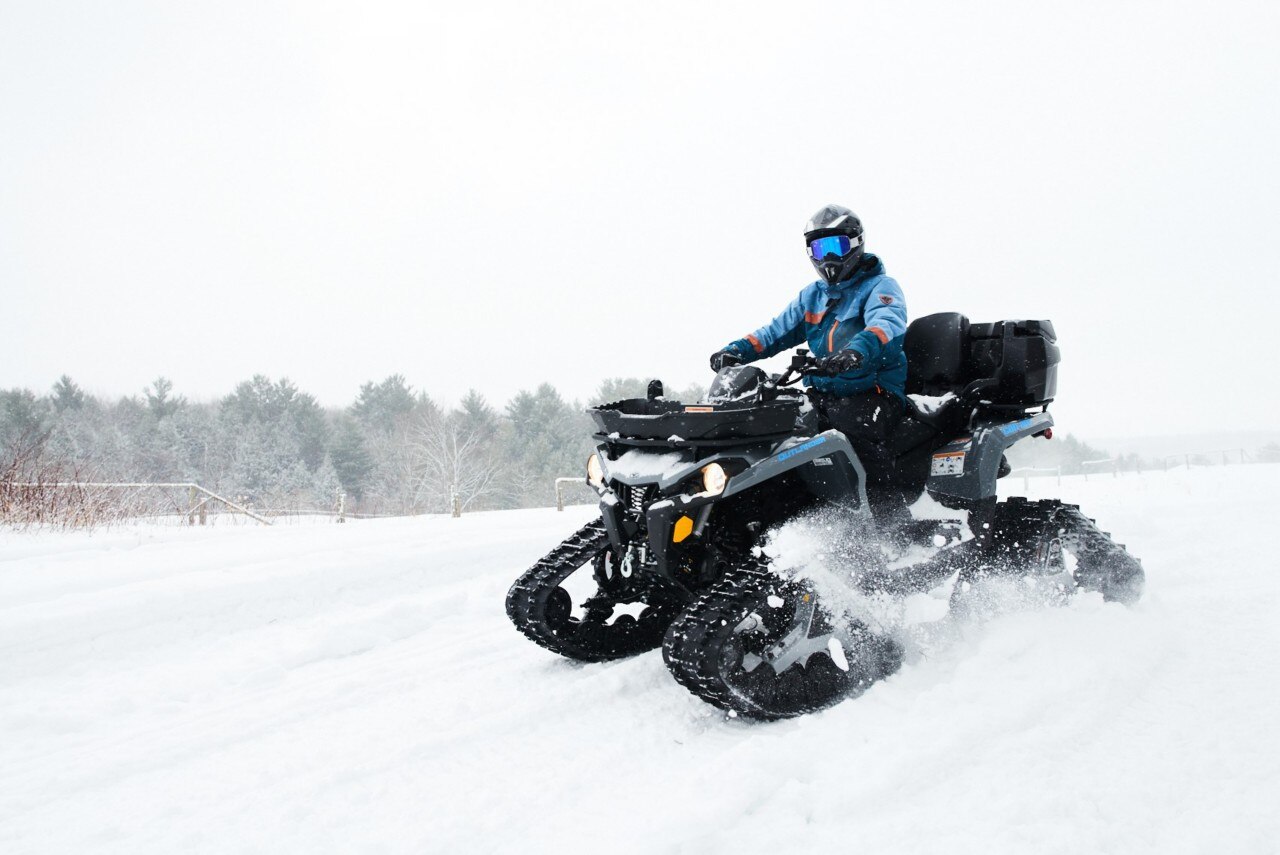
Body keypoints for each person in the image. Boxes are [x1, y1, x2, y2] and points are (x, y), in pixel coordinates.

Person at [709, 204, 910, 527]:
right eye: (818, 248)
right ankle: (774, 517)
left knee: (853, 433)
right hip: (823, 393)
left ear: (856, 243)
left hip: (873, 391)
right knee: (778, 432)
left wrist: (855, 352)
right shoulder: (813, 296)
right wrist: (736, 351)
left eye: (836, 246)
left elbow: (886, 326)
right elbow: (775, 332)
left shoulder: (880, 287)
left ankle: (893, 524)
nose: (827, 256)